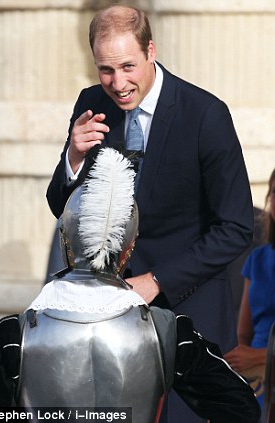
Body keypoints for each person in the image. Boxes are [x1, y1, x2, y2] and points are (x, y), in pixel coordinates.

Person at [46, 5, 254, 422]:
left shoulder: (206, 115)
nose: (118, 84)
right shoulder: (91, 102)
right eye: (106, 69)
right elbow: (63, 207)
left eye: (127, 66)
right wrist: (72, 156)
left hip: (190, 315)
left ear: (151, 51)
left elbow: (235, 227)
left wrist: (157, 281)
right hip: (109, 321)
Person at [0, 148, 260, 423]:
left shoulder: (16, 333)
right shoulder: (165, 329)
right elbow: (240, 405)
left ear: (65, 242)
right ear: (129, 248)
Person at [224, 168, 275, 411]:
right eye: (274, 192)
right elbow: (243, 334)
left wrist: (261, 357)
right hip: (256, 381)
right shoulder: (257, 259)